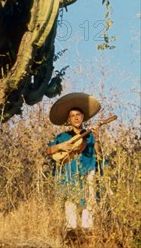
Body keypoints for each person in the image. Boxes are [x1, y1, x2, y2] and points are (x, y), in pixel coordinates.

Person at [46, 92, 103, 234]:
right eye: (72, 116)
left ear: (83, 117)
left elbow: (99, 154)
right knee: (70, 202)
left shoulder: (89, 134)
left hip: (88, 169)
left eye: (78, 114)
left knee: (89, 201)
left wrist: (96, 138)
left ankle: (87, 232)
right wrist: (60, 146)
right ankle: (70, 232)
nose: (76, 118)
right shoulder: (62, 137)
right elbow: (49, 150)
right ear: (68, 119)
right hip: (69, 172)